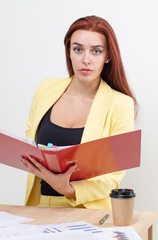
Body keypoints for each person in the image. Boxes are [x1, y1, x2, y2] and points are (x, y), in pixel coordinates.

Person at [21, 15, 137, 209]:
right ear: (69, 52)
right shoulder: (45, 89)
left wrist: (69, 189)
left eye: (96, 51)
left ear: (107, 56)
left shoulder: (121, 104)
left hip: (88, 212)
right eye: (78, 49)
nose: (85, 60)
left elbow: (113, 177)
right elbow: (30, 145)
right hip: (41, 206)